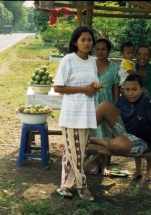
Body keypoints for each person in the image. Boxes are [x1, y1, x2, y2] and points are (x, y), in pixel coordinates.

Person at [53, 25, 103, 201]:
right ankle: (82, 185)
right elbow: (58, 87)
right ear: (75, 42)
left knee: (76, 151)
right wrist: (84, 89)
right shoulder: (68, 60)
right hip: (72, 113)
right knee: (76, 152)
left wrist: (96, 86)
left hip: (87, 112)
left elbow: (94, 82)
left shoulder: (92, 61)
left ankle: (65, 185)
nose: (87, 43)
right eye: (83, 40)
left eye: (90, 40)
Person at [90, 74, 151, 181]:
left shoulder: (147, 102)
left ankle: (105, 141)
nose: (130, 93)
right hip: (126, 131)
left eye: (134, 89)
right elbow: (112, 113)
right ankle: (80, 135)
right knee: (104, 106)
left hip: (141, 140)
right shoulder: (123, 99)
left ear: (141, 89)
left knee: (118, 145)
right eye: (127, 89)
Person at [127, 25, 151, 181]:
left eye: (146, 54)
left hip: (150, 108)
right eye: (140, 54)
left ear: (150, 57)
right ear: (136, 55)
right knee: (136, 136)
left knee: (149, 137)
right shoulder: (131, 68)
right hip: (134, 108)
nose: (142, 57)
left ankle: (149, 169)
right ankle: (138, 170)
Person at [89, 38, 120, 176]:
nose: (100, 52)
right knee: (94, 133)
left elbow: (116, 89)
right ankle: (96, 164)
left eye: (103, 49)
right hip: (91, 104)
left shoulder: (114, 68)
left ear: (109, 51)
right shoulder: (89, 64)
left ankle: (104, 166)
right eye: (98, 49)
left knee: (106, 133)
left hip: (107, 104)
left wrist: (115, 105)